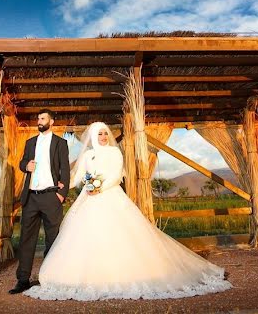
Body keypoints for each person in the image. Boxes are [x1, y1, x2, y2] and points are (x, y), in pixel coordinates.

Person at [24, 122, 232, 301]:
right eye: (99, 134)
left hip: (110, 196)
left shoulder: (115, 153)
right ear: (93, 138)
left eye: (105, 133)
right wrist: (58, 188)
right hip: (88, 200)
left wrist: (98, 188)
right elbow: (77, 177)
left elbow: (115, 175)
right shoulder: (87, 156)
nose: (103, 137)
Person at [9, 109, 70, 294]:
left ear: (51, 122)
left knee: (53, 239)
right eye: (38, 118)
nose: (39, 121)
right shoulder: (30, 143)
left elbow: (65, 169)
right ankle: (23, 280)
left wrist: (62, 194)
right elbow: (22, 163)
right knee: (27, 239)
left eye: (43, 118)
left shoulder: (60, 143)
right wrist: (25, 166)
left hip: (51, 196)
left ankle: (50, 278)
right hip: (31, 197)